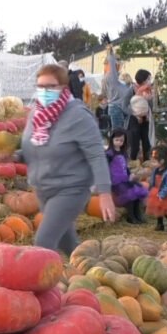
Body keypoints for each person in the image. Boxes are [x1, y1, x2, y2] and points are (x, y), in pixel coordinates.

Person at [19, 64, 115, 254]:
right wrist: (12, 156)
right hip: (44, 188)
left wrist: (104, 193)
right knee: (68, 244)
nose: (44, 91)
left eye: (50, 86)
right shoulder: (35, 115)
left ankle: (36, 283)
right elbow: (35, 150)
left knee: (43, 242)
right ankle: (91, 274)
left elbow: (96, 155)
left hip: (71, 188)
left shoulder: (78, 116)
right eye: (40, 86)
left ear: (64, 87)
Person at [106, 128, 149, 224]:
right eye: (116, 140)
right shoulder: (109, 154)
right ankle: (131, 216)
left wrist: (130, 174)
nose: (119, 142)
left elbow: (125, 167)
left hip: (125, 180)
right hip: (115, 182)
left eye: (121, 140)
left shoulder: (123, 153)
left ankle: (138, 214)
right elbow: (105, 169)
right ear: (112, 140)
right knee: (131, 193)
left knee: (138, 190)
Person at [103, 46, 133, 131]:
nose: (120, 64)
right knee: (118, 133)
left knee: (122, 134)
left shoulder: (119, 81)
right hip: (116, 108)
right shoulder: (112, 77)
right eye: (118, 61)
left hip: (122, 108)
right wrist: (110, 51)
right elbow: (112, 64)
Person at [127, 69, 154, 162]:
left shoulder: (149, 91)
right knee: (135, 144)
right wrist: (135, 114)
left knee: (146, 142)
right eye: (148, 79)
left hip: (146, 119)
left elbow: (151, 105)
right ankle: (133, 163)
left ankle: (147, 163)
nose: (149, 81)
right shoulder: (131, 89)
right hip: (134, 120)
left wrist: (148, 100)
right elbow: (124, 105)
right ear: (142, 80)